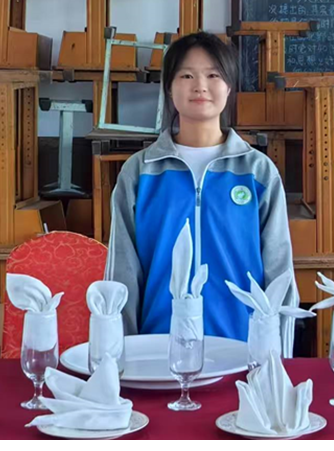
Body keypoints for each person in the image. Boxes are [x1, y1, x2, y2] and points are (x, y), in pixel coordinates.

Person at [106, 32, 298, 354]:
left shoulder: (257, 172)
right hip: (157, 350)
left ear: (229, 86)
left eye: (213, 75)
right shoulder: (141, 172)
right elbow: (121, 275)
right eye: (186, 76)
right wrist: (123, 358)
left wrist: (276, 361)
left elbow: (279, 273)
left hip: (242, 349)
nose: (200, 86)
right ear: (169, 87)